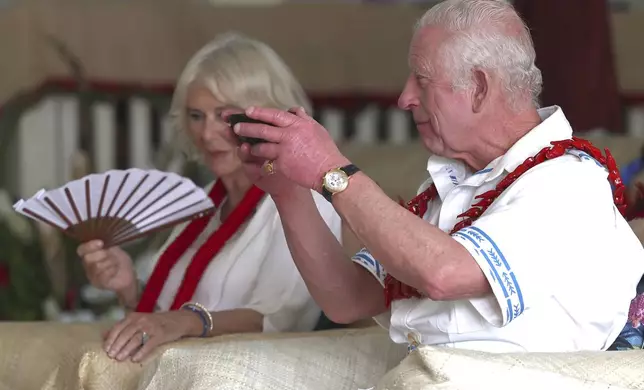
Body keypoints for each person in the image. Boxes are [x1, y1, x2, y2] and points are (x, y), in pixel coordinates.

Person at [233, 0, 644, 353]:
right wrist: (289, 190)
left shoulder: (567, 182)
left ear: (479, 88)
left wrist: (331, 170)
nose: (404, 98)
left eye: (422, 80)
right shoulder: (450, 187)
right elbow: (349, 299)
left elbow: (445, 273)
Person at [77, 32, 348, 362]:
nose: (206, 134)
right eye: (196, 116)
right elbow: (164, 321)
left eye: (224, 115)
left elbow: (284, 318)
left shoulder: (307, 199)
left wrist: (189, 320)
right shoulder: (204, 203)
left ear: (267, 115)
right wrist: (128, 286)